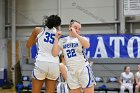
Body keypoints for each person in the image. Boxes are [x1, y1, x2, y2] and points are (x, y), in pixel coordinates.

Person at [52, 19, 95, 93]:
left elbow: (87, 45)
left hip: (83, 69)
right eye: (75, 27)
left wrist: (76, 34)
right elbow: (54, 54)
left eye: (79, 29)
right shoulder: (63, 40)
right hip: (71, 72)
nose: (77, 30)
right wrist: (56, 38)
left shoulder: (81, 38)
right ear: (69, 27)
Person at [26, 15, 61, 93]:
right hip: (54, 64)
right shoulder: (58, 33)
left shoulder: (38, 30)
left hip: (41, 62)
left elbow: (28, 45)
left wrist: (36, 38)